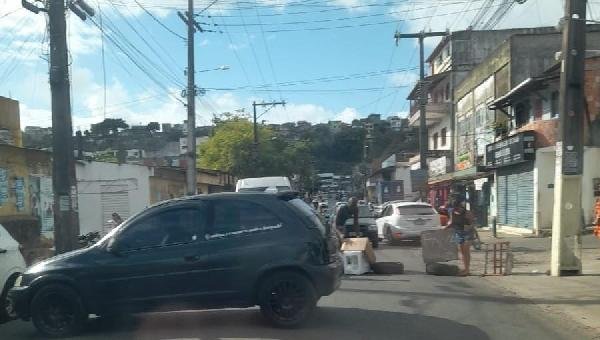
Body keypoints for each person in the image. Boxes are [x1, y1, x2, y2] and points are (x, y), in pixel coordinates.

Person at [444, 200, 474, 276]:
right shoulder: (452, 212)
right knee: (462, 251)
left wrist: (468, 227)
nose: (457, 210)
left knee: (466, 250)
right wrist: (444, 228)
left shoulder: (467, 213)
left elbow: (472, 224)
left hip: (468, 233)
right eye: (455, 208)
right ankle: (465, 268)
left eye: (458, 208)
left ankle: (467, 269)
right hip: (458, 233)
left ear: (461, 207)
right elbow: (451, 222)